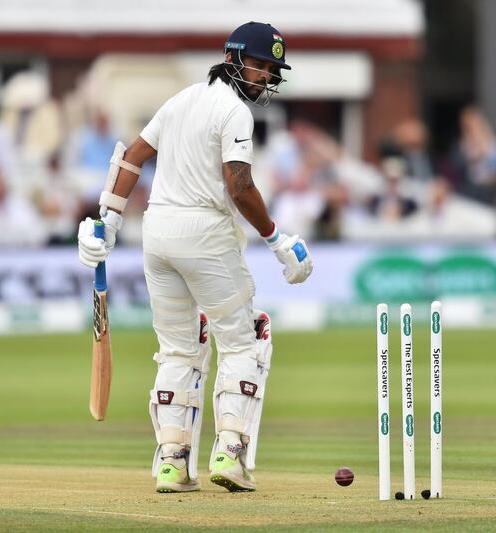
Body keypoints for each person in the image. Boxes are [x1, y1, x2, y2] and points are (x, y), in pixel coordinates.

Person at [77, 21, 313, 494]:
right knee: (245, 341)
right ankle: (229, 451)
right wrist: (275, 239)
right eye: (261, 65)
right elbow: (239, 185)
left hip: (158, 233)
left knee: (179, 349)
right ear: (233, 58)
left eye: (272, 69)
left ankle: (173, 462)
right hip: (204, 232)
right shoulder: (233, 112)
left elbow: (132, 156)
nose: (266, 76)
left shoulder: (180, 100)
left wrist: (108, 219)